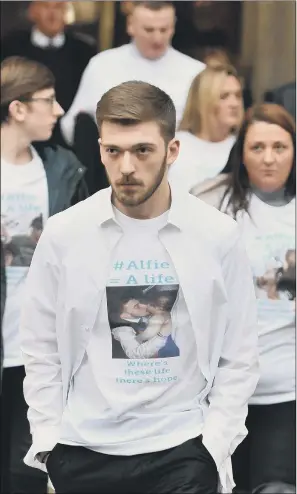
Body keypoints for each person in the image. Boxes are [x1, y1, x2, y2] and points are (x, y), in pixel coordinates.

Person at [21, 80, 258, 494]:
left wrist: (214, 445)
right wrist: (49, 441)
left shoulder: (216, 234)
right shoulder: (65, 233)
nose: (126, 166)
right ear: (99, 150)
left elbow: (238, 354)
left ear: (172, 151)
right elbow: (41, 346)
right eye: (114, 151)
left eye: (142, 150)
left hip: (181, 448)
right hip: (83, 450)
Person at [192, 103, 296, 493]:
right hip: (219, 389)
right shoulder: (210, 202)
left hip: (287, 386)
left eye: (280, 147)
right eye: (257, 148)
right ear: (241, 153)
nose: (268, 159)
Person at [0, 56, 88, 494]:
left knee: (28, 469)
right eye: (48, 101)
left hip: (37, 348)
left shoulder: (62, 170)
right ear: (17, 108)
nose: (58, 111)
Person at [60, 1, 205, 146]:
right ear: (131, 25)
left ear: (173, 27)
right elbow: (73, 125)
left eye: (164, 30)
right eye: (149, 30)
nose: (157, 38)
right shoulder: (102, 65)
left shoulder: (196, 72)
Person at [1, 1, 97, 146]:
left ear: (66, 12)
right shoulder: (10, 46)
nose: (52, 13)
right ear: (32, 11)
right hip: (21, 137)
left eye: (58, 7)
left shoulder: (84, 51)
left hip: (69, 142)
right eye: (46, 6)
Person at [168, 64, 244, 193]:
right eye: (224, 96)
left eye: (237, 95)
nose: (234, 104)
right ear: (203, 100)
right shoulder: (174, 146)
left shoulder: (242, 147)